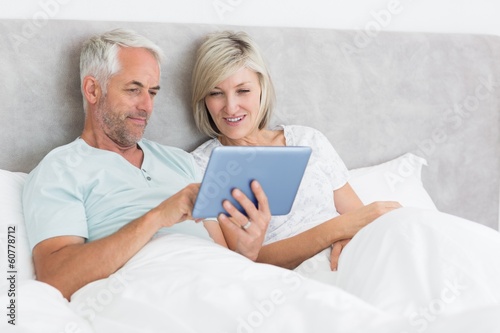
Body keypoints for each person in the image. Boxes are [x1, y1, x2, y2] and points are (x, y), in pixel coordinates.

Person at [22, 28, 270, 300]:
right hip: (149, 291)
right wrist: (157, 217)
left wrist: (247, 251)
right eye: (133, 90)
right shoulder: (60, 168)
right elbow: (55, 278)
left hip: (218, 286)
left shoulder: (181, 161)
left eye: (152, 92)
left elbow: (222, 257)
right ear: (93, 90)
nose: (147, 106)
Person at [190, 30, 402, 273]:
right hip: (303, 274)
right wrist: (337, 230)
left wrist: (348, 236)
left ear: (262, 88)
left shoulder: (307, 140)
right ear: (203, 99)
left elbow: (359, 218)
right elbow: (245, 261)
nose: (231, 106)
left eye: (243, 90)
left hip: (356, 253)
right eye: (216, 93)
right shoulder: (200, 168)